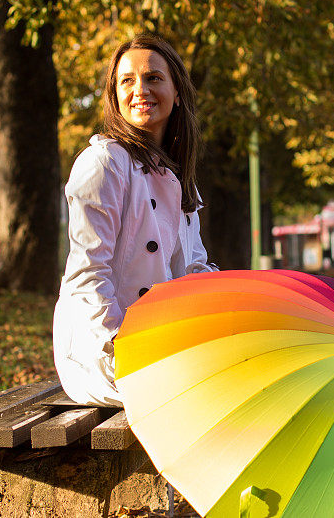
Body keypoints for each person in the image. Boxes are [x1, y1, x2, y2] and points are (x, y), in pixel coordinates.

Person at [53, 34, 218, 406]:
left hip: (164, 341)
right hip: (105, 351)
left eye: (153, 78)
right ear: (115, 95)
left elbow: (192, 270)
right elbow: (87, 277)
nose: (140, 90)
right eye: (127, 80)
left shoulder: (177, 176)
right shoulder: (103, 164)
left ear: (177, 92)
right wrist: (120, 346)